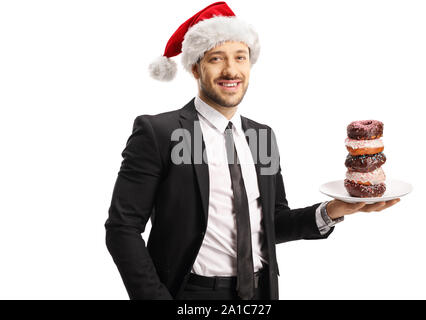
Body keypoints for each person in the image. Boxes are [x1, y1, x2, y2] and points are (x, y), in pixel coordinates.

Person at [104, 1, 400, 300]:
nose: (231, 70)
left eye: (240, 57)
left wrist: (334, 210)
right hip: (191, 294)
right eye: (216, 58)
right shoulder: (159, 133)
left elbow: (272, 223)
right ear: (196, 67)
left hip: (261, 292)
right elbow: (122, 228)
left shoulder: (263, 136)